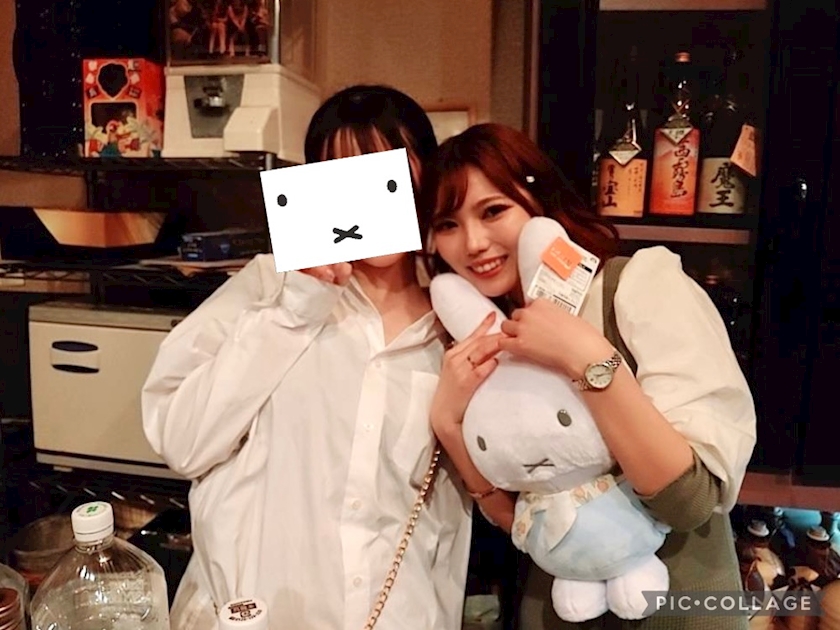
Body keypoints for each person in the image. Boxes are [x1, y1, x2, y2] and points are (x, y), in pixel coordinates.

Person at [141, 85, 490, 630]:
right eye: (343, 174)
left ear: (424, 175)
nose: (366, 193)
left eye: (387, 171)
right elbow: (181, 440)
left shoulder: (457, 322)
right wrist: (295, 309)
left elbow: (452, 510)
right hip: (254, 616)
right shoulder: (267, 285)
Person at [418, 122, 757, 630]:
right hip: (553, 608)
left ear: (538, 201)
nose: (473, 243)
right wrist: (449, 424)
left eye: (493, 211)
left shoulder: (637, 286)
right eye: (447, 224)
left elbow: (690, 501)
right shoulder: (481, 335)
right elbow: (521, 523)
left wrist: (586, 359)